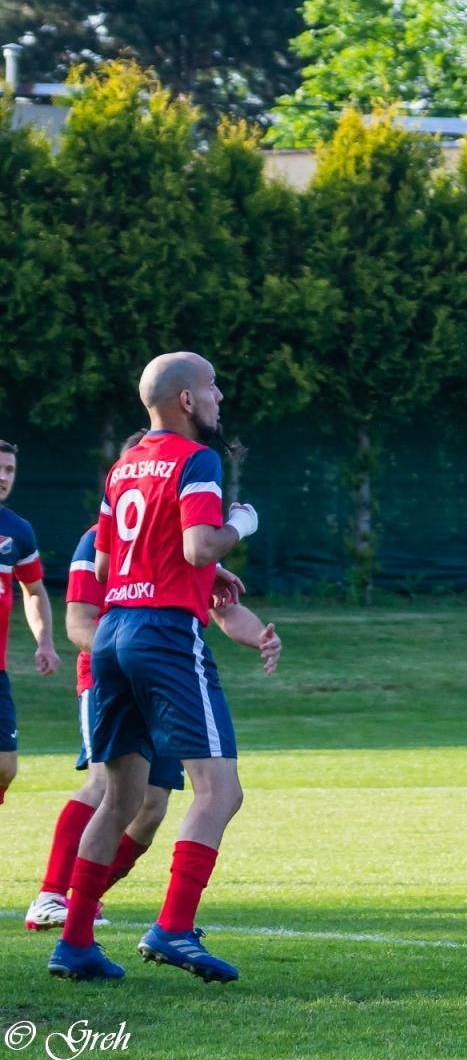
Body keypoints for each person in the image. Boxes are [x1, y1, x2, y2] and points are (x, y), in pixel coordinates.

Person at [48, 352, 262, 983]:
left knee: (117, 799)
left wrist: (196, 568)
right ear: (187, 401)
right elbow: (200, 541)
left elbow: (116, 563)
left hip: (112, 633)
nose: (220, 397)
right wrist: (240, 525)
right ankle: (172, 928)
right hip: (166, 634)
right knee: (221, 791)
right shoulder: (200, 460)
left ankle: (76, 942)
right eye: (213, 387)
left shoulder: (122, 468)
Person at [26, 433, 281, 933]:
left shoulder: (174, 538)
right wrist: (131, 653)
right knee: (112, 787)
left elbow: (221, 605)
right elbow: (79, 622)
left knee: (151, 806)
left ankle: (84, 910)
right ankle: (54, 895)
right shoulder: (100, 538)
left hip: (151, 662)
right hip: (127, 665)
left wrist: (259, 637)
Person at [0, 439, 63, 807]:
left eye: (9, 470)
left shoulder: (18, 531)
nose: (4, 476)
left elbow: (35, 591)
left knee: (6, 766)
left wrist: (45, 642)